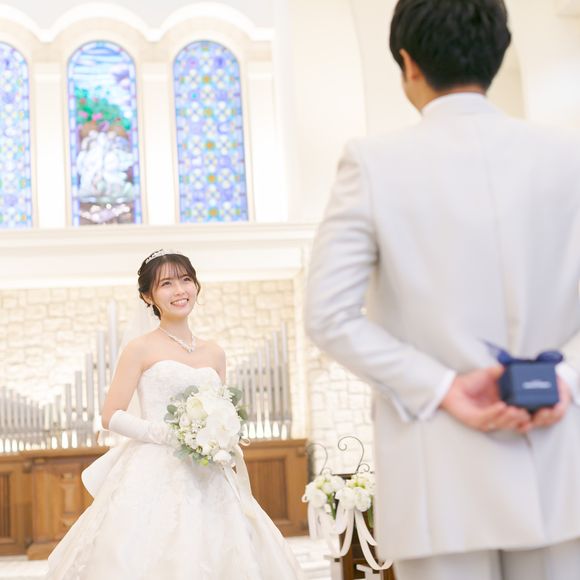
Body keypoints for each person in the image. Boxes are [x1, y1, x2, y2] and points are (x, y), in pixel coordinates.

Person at [304, 1, 580, 578]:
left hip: (439, 479)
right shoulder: (567, 156)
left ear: (408, 63)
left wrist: (441, 387)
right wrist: (564, 380)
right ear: (498, 53)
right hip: (560, 466)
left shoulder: (373, 163)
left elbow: (329, 316)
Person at [47, 249, 304, 580]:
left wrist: (218, 434)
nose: (179, 290)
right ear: (148, 296)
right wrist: (169, 434)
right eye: (166, 283)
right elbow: (111, 415)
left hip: (210, 471)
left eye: (185, 280)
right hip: (154, 466)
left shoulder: (215, 352)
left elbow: (221, 406)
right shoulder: (140, 348)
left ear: (196, 285)